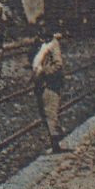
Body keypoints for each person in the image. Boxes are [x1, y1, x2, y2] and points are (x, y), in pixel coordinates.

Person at [31, 23, 67, 153]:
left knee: (50, 113)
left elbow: (58, 65)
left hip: (50, 84)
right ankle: (55, 142)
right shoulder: (43, 44)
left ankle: (57, 142)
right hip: (41, 83)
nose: (40, 32)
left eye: (42, 29)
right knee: (45, 114)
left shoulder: (53, 44)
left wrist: (44, 71)